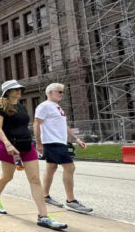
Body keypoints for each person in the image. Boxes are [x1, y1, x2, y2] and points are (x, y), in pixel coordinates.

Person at [0, 80, 68, 230]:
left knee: (35, 180)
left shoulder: (21, 106)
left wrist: (37, 143)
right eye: (15, 89)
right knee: (7, 176)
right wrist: (7, 143)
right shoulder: (1, 107)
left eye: (20, 88)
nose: (19, 91)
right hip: (10, 147)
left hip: (26, 145)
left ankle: (43, 216)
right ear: (8, 92)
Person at [34, 83, 92, 213]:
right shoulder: (44, 106)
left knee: (51, 167)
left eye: (62, 92)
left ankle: (44, 195)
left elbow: (64, 126)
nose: (62, 94)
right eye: (59, 92)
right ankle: (71, 201)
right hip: (52, 141)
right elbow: (36, 124)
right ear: (50, 93)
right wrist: (38, 143)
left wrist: (76, 139)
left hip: (60, 141)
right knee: (70, 167)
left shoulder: (57, 107)